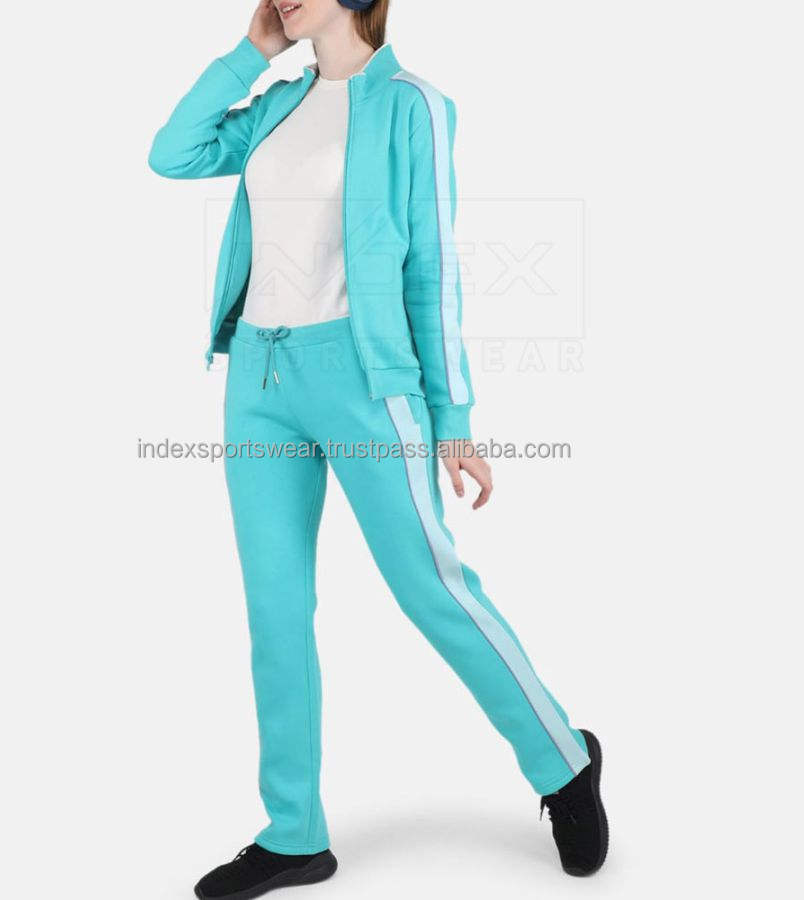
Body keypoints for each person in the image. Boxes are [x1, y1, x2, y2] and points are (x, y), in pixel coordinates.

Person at [149, 2, 608, 896]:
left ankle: (563, 760)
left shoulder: (413, 106)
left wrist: (454, 417)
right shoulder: (277, 103)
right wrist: (250, 54)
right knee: (275, 611)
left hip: (363, 380)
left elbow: (432, 267)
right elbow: (172, 153)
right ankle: (294, 833)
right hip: (258, 382)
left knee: (430, 586)